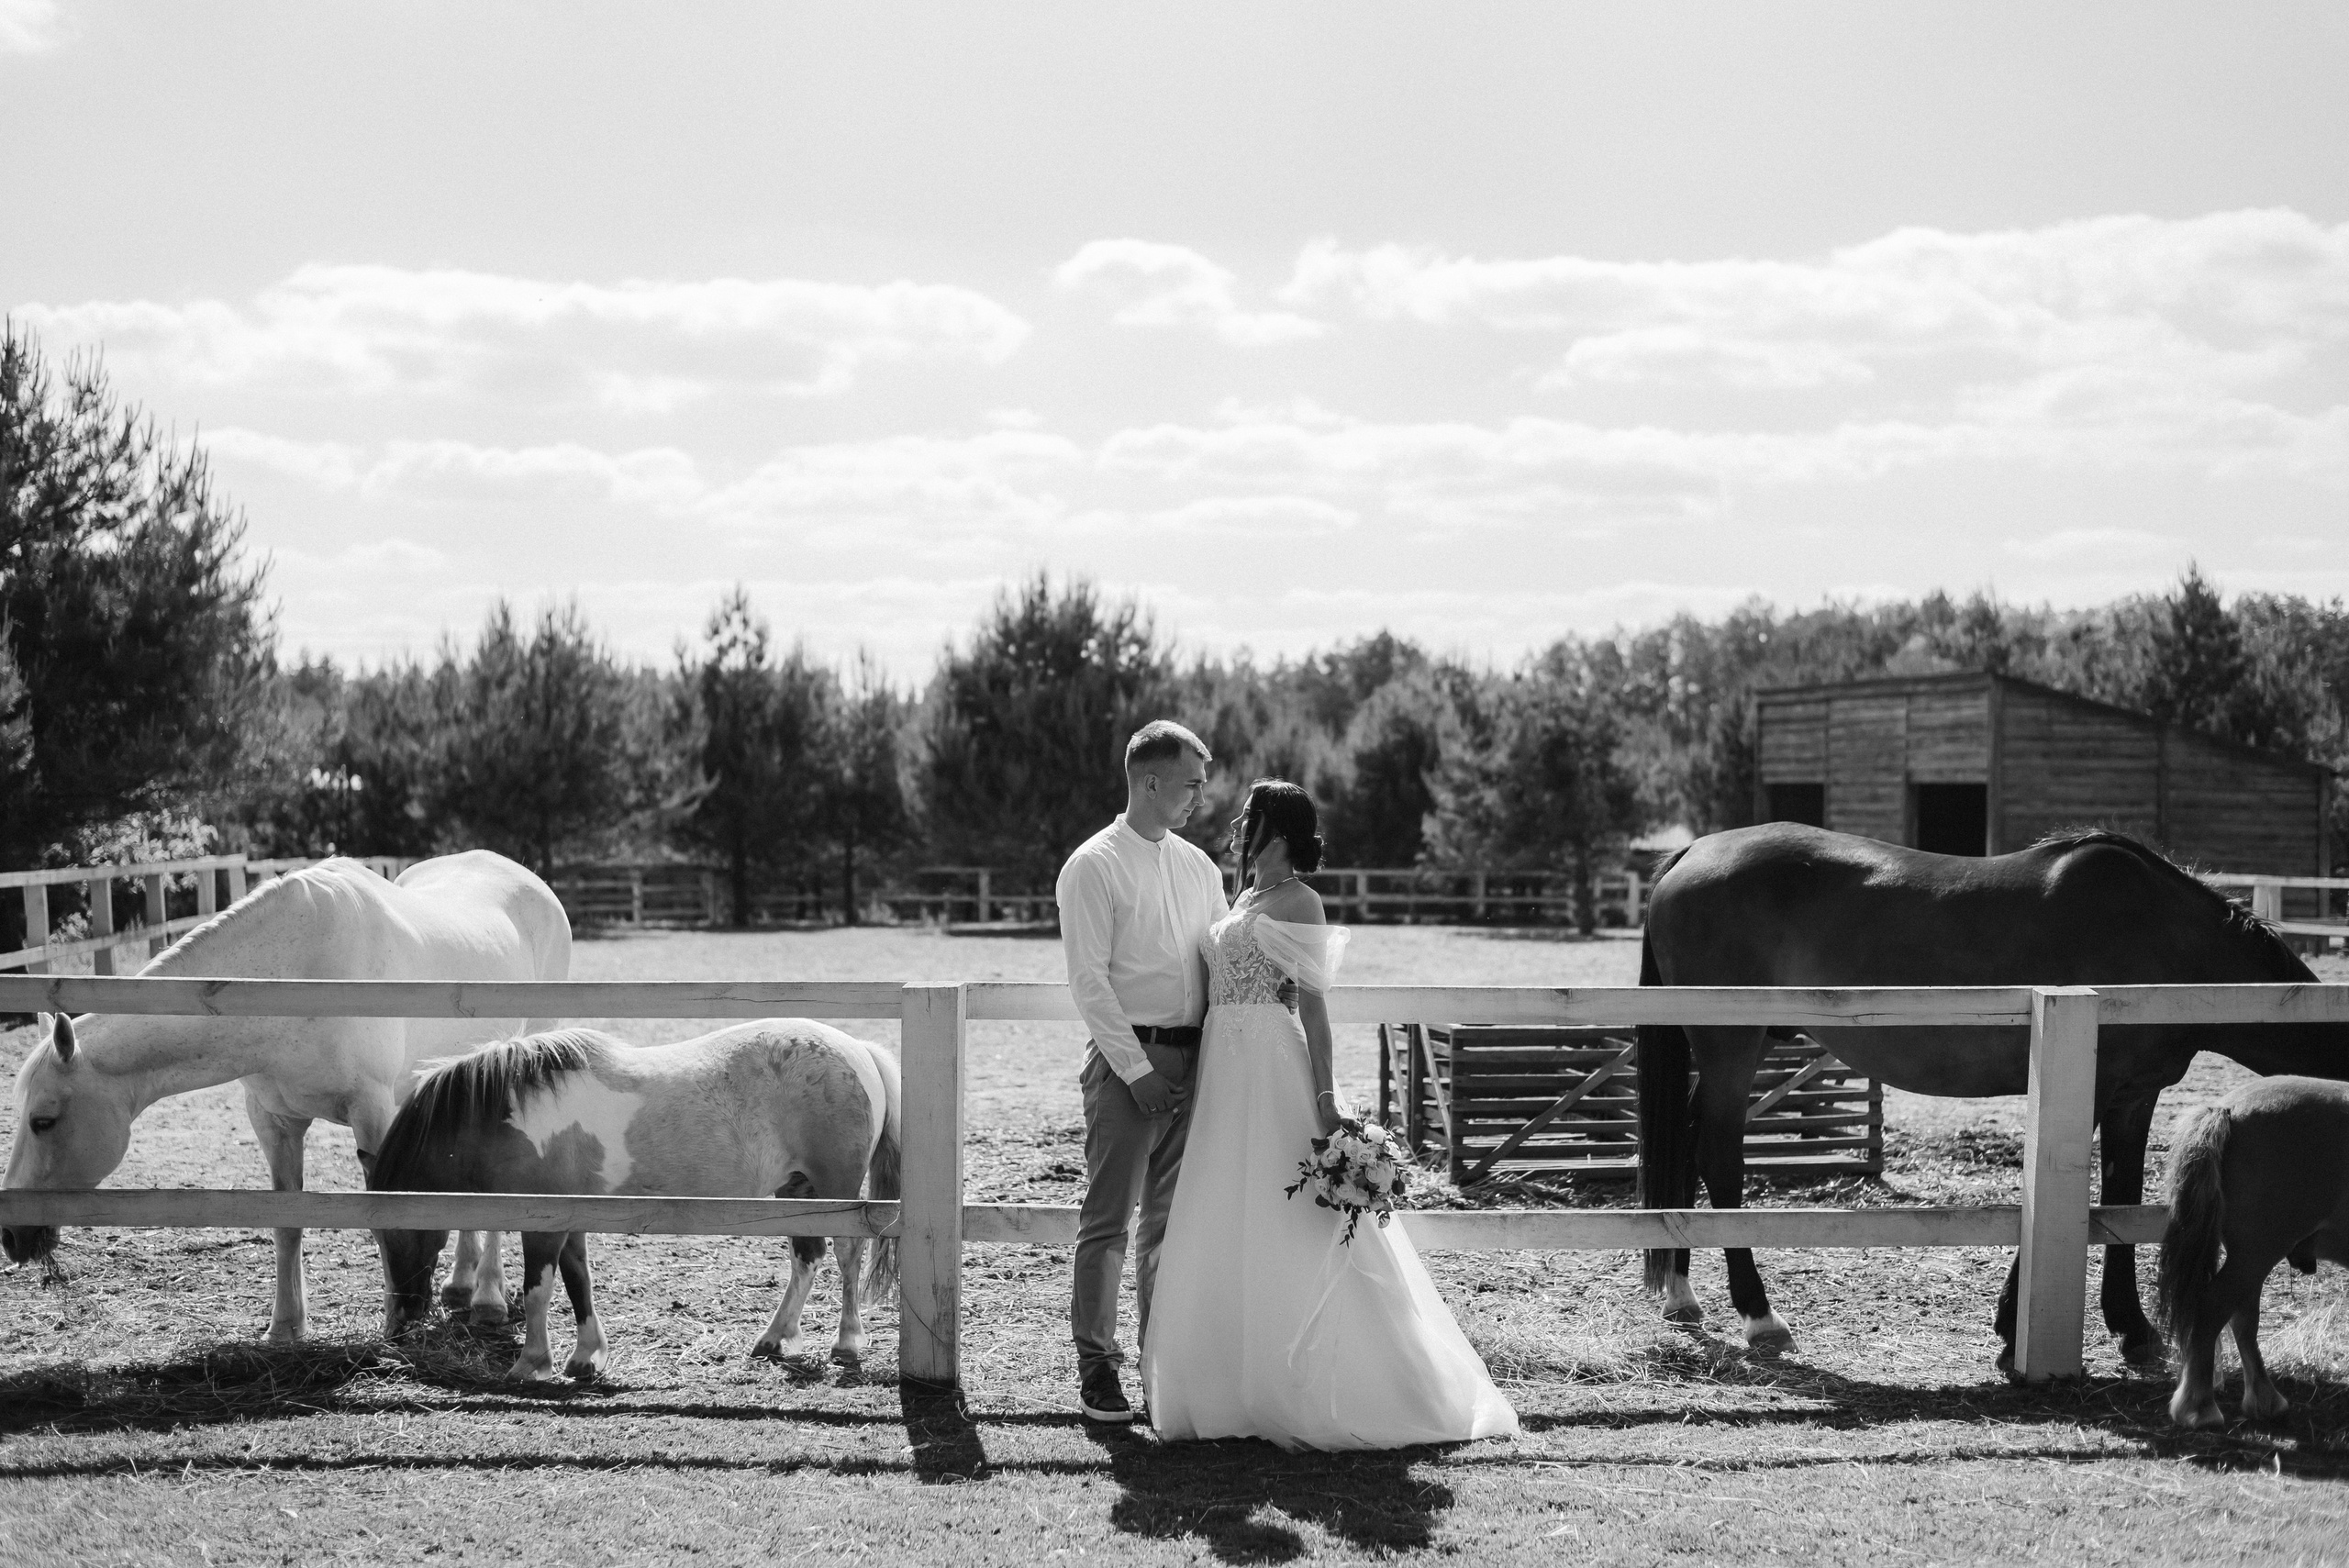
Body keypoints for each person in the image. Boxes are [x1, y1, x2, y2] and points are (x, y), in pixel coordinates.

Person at [1141, 779, 1520, 1451]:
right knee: (1229, 1209)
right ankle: (1230, 1377)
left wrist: (1325, 1100)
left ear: (1277, 831)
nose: (1235, 826)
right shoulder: (1246, 895)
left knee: (1293, 1215)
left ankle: (1342, 1381)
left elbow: (1313, 1008)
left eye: (1248, 818)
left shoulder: (1301, 900)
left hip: (1271, 1070)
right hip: (1226, 1071)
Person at [1057, 720, 1233, 1425]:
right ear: (1151, 781)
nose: (1200, 795)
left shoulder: (1200, 867)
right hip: (1129, 1063)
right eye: (1191, 782)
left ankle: (1163, 1357)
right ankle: (1097, 1366)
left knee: (1171, 1222)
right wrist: (1135, 1071)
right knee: (1108, 1223)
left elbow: (1219, 960)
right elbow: (1089, 983)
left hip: (1198, 1060)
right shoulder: (1092, 865)